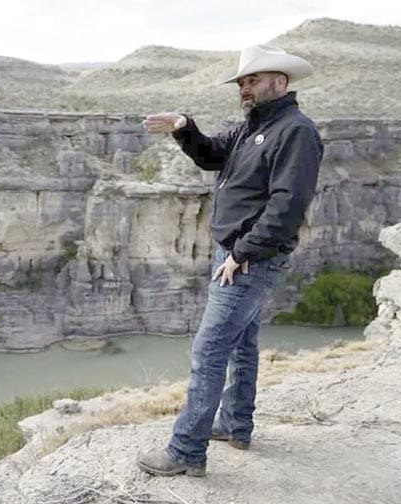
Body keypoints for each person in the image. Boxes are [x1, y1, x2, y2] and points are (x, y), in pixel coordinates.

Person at [136, 44, 324, 477]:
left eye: (252, 80)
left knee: (210, 348)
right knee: (241, 345)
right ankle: (236, 425)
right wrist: (185, 128)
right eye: (242, 82)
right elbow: (210, 155)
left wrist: (241, 253)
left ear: (281, 81)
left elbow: (287, 205)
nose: (245, 88)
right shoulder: (251, 128)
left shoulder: (295, 131)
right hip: (237, 255)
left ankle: (185, 453)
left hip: (249, 259)